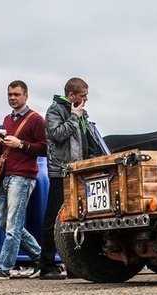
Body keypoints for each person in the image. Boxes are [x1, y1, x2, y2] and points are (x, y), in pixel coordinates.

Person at [37, 77, 107, 279]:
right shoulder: (55, 110)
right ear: (71, 96)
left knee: (79, 219)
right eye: (83, 95)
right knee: (54, 218)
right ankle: (47, 266)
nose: (86, 99)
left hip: (80, 173)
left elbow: (86, 141)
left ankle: (75, 266)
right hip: (62, 172)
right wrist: (74, 117)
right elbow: (57, 135)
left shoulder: (81, 113)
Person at [0, 80, 47, 280]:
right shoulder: (7, 119)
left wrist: (21, 144)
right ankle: (40, 258)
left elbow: (45, 149)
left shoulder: (36, 119)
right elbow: (5, 151)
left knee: (13, 224)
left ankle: (3, 268)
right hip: (5, 175)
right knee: (6, 222)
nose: (12, 98)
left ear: (26, 96)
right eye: (10, 94)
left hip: (23, 176)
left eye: (16, 94)